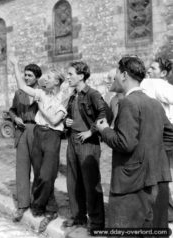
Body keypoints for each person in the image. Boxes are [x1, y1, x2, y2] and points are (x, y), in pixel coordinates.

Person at [97, 56, 173, 232]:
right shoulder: (154, 103)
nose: (114, 78)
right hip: (157, 176)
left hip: (131, 182)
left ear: (124, 75)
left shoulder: (128, 102)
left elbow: (125, 143)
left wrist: (105, 130)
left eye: (116, 73)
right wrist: (152, 155)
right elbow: (169, 134)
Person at [10, 54, 67, 233]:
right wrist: (15, 64)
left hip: (48, 134)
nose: (44, 80)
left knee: (44, 174)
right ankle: (33, 206)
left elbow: (56, 119)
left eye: (49, 78)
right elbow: (20, 88)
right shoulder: (37, 93)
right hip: (32, 132)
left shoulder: (62, 97)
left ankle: (44, 205)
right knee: (30, 170)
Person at [62, 61, 106, 232]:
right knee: (73, 181)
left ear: (81, 76)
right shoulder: (73, 96)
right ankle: (78, 217)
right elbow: (69, 117)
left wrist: (91, 131)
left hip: (88, 143)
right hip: (72, 140)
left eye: (70, 74)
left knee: (91, 183)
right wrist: (67, 122)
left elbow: (104, 114)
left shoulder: (93, 94)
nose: (67, 77)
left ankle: (96, 224)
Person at [140, 57, 173, 223]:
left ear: (163, 73)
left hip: (163, 136)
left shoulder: (155, 83)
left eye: (153, 68)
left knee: (159, 178)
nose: (149, 71)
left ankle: (162, 216)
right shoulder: (160, 85)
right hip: (166, 135)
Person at [8, 63, 42, 222]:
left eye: (30, 75)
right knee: (22, 169)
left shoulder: (41, 92)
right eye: (25, 75)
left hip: (38, 132)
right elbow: (12, 110)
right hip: (21, 132)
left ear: (37, 78)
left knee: (39, 169)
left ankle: (38, 203)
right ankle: (22, 204)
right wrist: (16, 118)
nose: (26, 78)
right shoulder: (18, 93)